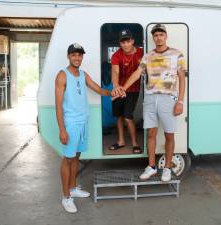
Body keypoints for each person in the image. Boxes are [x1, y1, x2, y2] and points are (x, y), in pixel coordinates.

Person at [113, 24, 186, 182]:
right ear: (153, 38)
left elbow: (181, 78)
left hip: (168, 98)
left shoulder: (177, 54)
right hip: (151, 99)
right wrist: (122, 88)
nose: (158, 37)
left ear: (165, 36)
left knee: (169, 135)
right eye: (156, 35)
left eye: (161, 34)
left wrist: (180, 101)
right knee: (151, 133)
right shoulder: (148, 56)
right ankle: (151, 167)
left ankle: (167, 167)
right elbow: (137, 73)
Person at [55, 43, 111, 213]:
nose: (77, 58)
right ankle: (66, 197)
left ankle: (73, 188)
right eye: (74, 55)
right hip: (70, 123)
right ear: (68, 56)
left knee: (76, 156)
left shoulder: (82, 74)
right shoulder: (62, 76)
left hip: (83, 121)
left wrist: (113, 92)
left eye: (79, 55)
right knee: (68, 159)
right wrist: (62, 130)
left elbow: (98, 89)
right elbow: (58, 106)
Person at [109, 29, 144, 154]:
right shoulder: (116, 55)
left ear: (132, 41)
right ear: (120, 43)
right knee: (119, 116)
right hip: (118, 88)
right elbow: (115, 71)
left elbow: (140, 72)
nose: (125, 45)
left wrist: (123, 88)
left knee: (128, 116)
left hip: (133, 89)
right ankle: (121, 141)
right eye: (123, 42)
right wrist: (116, 85)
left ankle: (135, 143)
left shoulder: (141, 52)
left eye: (128, 41)